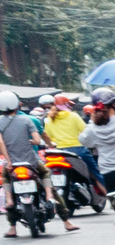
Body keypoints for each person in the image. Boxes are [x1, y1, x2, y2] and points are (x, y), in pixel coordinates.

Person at [0, 90, 70, 235]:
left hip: (12, 164)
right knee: (45, 173)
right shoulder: (29, 120)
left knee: (7, 180)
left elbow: (1, 143)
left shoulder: (0, 122)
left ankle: (12, 225)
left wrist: (8, 160)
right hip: (31, 162)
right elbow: (39, 140)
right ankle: (64, 218)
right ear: (17, 104)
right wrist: (32, 141)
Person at [41, 94, 98, 199]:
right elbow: (85, 132)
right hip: (77, 150)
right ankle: (107, 193)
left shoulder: (48, 119)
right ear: (66, 105)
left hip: (58, 152)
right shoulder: (74, 116)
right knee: (95, 172)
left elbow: (48, 137)